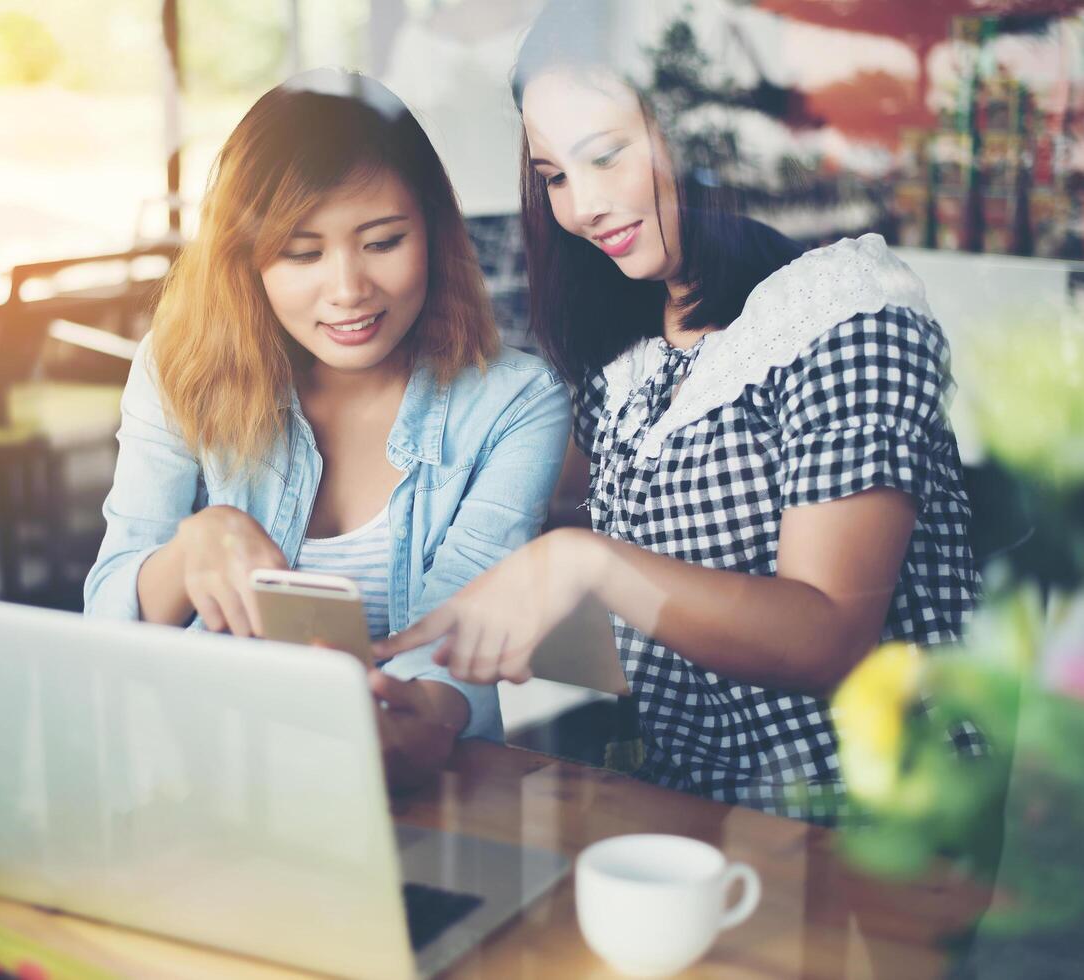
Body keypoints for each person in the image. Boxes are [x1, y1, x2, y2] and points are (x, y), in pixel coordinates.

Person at [378, 0, 978, 818]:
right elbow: (575, 538)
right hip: (695, 804)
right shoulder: (634, 351)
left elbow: (825, 636)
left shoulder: (845, 315)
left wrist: (583, 563)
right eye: (554, 176)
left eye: (604, 157)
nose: (579, 207)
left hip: (862, 825)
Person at [83, 69, 571, 790]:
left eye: (381, 242)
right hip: (201, 771)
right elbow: (105, 625)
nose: (347, 290)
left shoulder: (515, 403)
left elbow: (457, 634)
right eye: (301, 254)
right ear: (246, 260)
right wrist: (191, 550)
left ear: (432, 235)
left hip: (420, 791)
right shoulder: (178, 367)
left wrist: (416, 723)